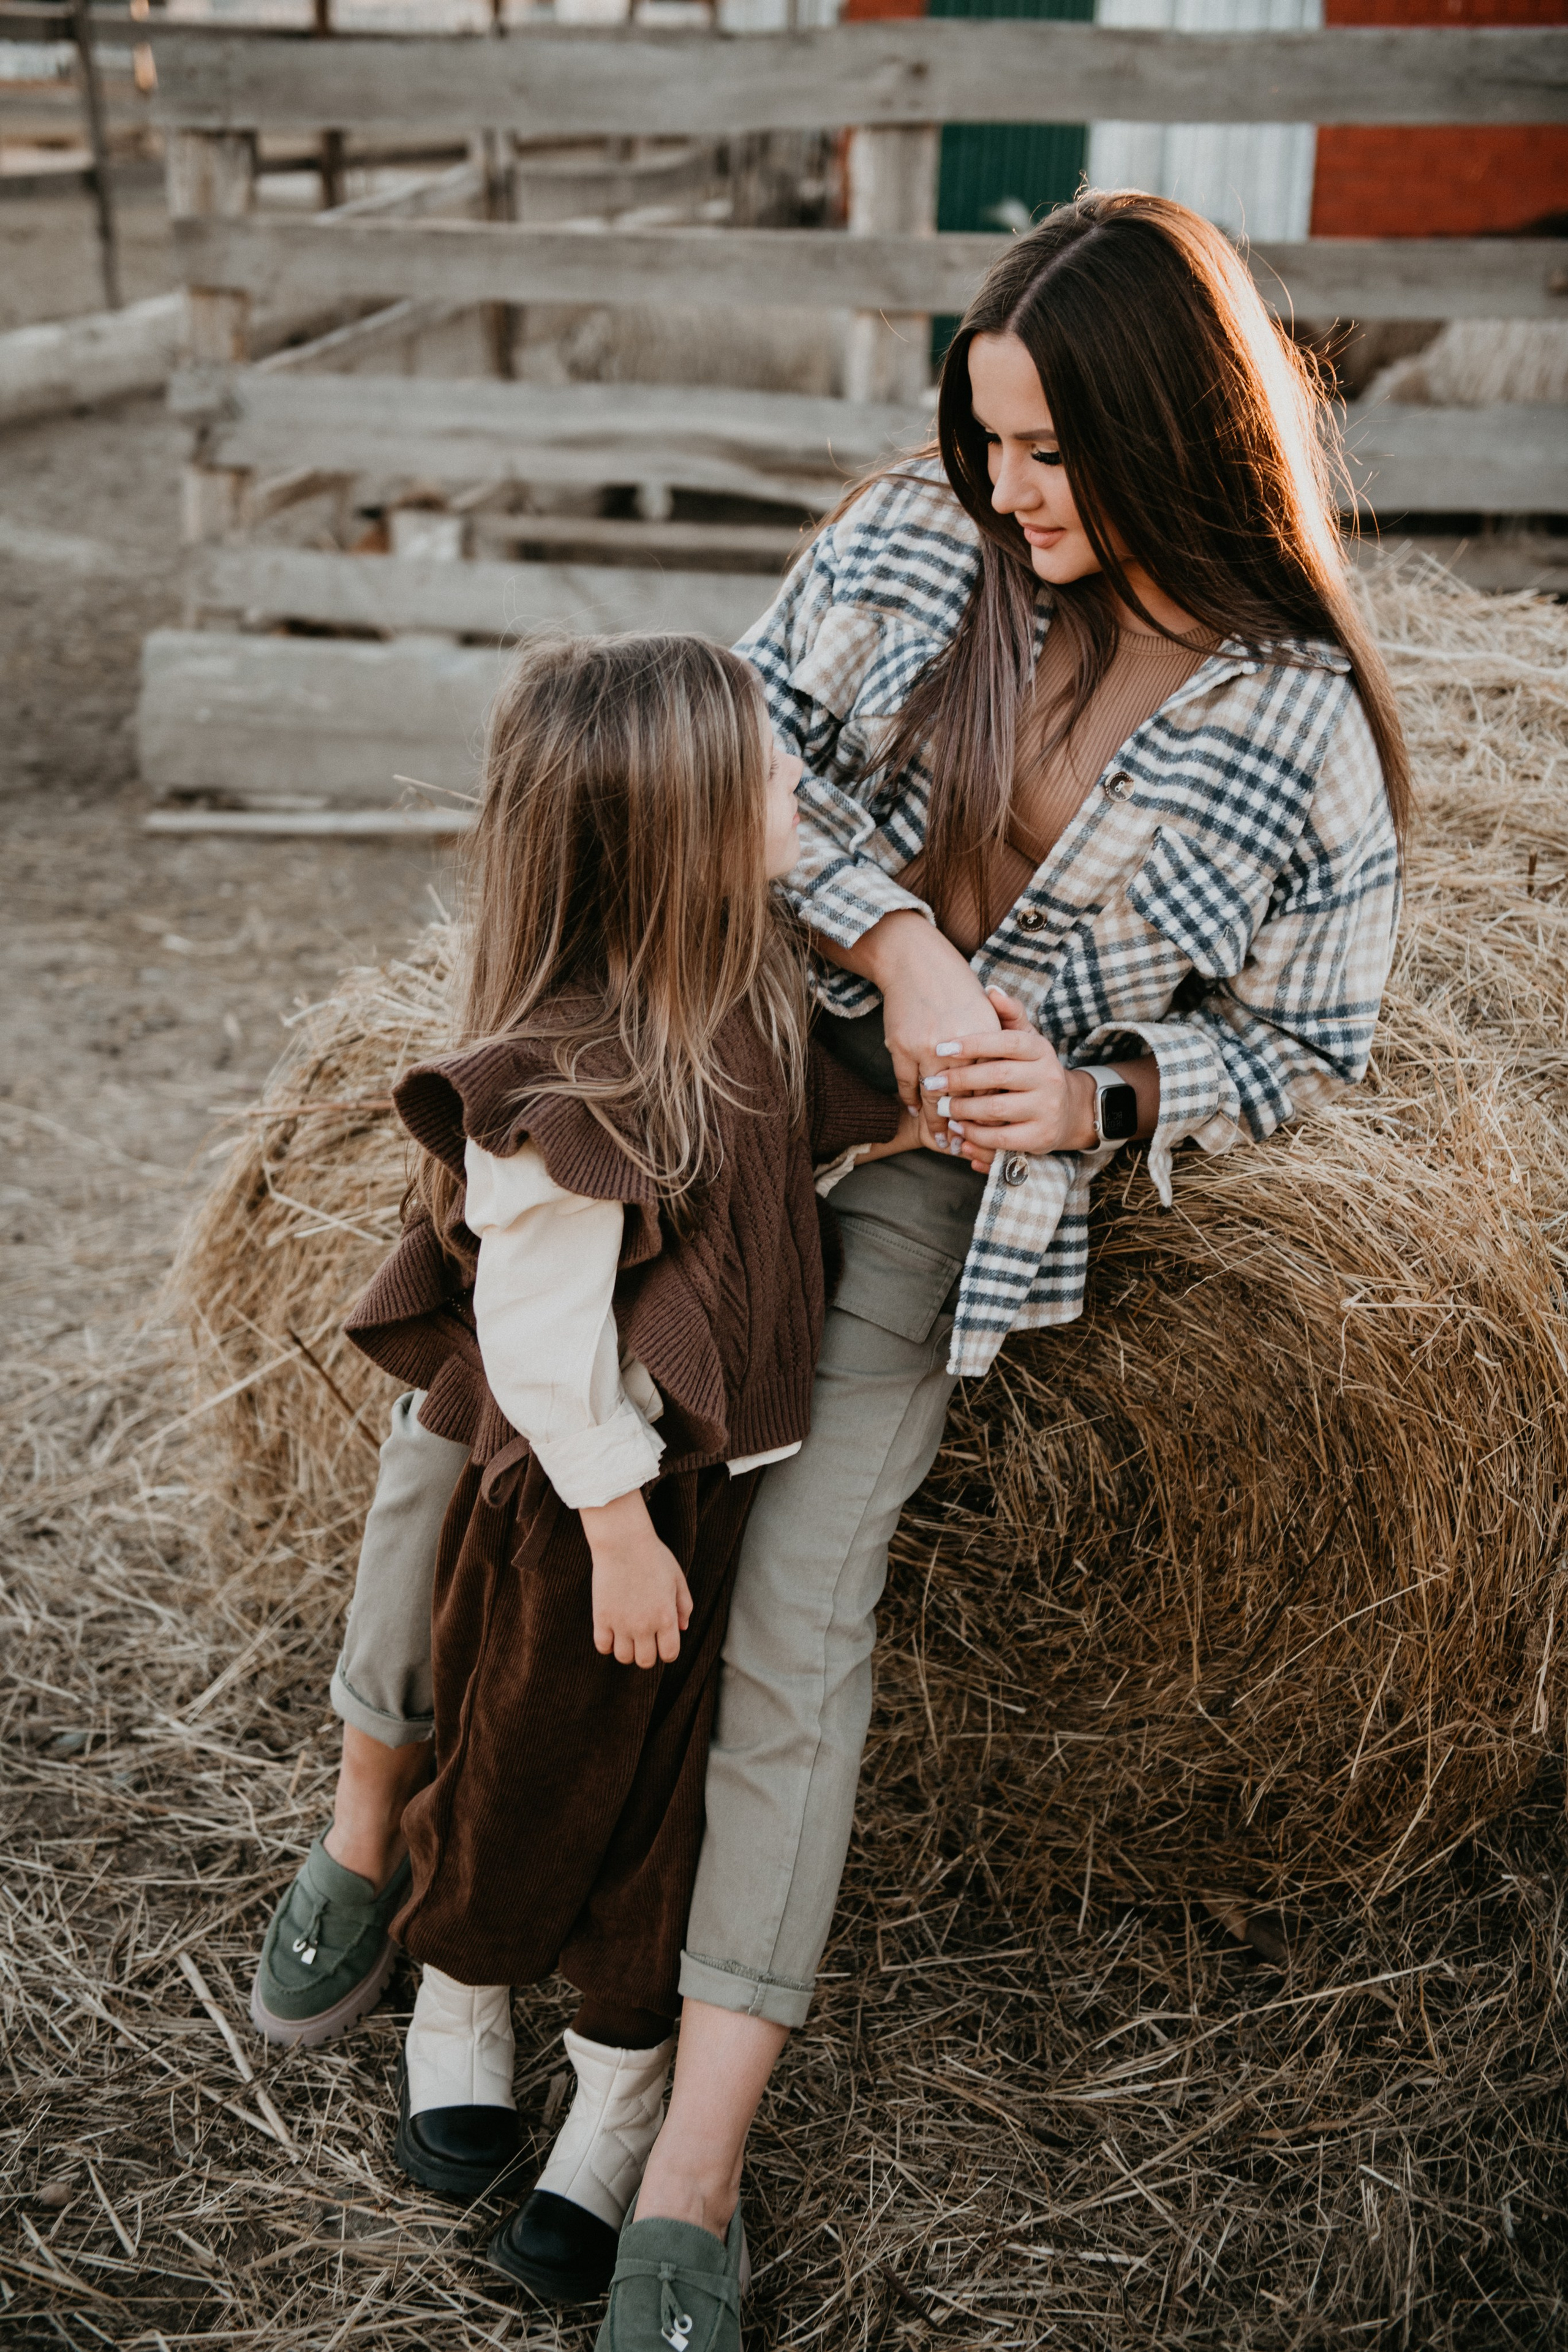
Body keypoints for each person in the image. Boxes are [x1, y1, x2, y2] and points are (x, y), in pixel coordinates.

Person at [255, 189, 1406, 2351]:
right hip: (716, 1029)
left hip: (926, 1192)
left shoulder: (1297, 728)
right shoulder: (912, 543)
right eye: (988, 443)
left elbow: (1315, 1031)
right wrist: (894, 932)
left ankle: (692, 2162)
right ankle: (367, 1816)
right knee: (484, 1398)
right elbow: (742, 751)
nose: (1011, 495)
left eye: (1057, 454)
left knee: (801, 1611)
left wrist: (1096, 1098)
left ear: (1180, 436)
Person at [262, 630, 907, 2307]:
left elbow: (809, 1125)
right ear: (683, 831)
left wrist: (930, 1110)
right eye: (770, 778)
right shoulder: (574, 1073)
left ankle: (621, 2092)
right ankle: (463, 1978)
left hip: (705, 1493)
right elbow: (542, 1339)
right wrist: (617, 1529)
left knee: (664, 1809)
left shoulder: (745, 985)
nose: (799, 796)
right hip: (581, 1509)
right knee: (532, 1761)